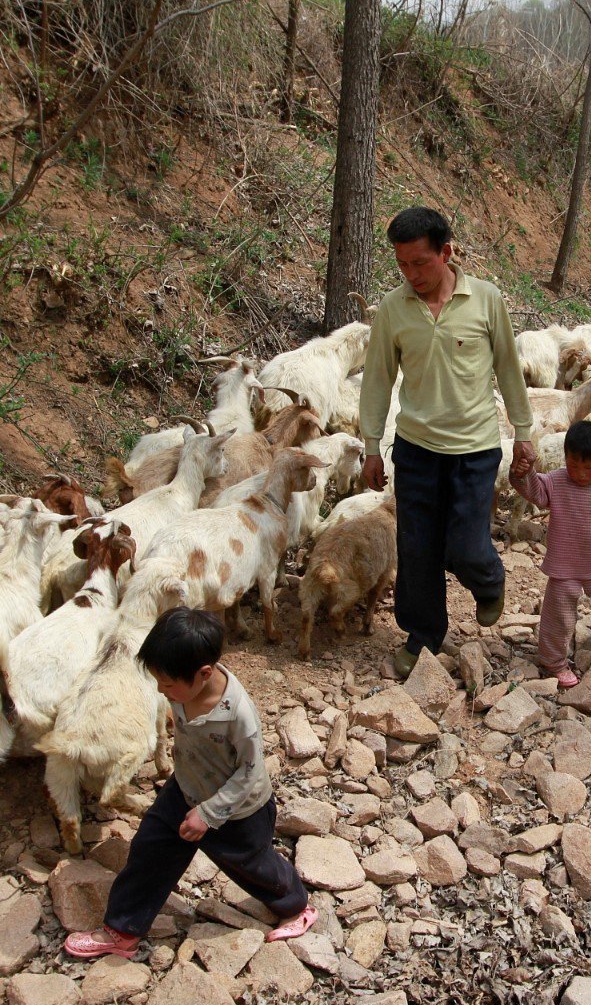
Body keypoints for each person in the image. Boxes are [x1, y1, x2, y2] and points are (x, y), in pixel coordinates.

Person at [62, 608, 314, 960]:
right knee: (150, 849)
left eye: (167, 684)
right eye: (158, 682)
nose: (162, 691)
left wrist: (209, 814)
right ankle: (122, 930)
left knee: (252, 864)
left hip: (237, 810)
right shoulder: (181, 690)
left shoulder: (237, 715)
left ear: (204, 674)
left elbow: (250, 772)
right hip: (184, 789)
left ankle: (297, 907)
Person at [359, 207, 535, 678]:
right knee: (416, 548)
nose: (411, 274)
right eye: (402, 265)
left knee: (465, 544)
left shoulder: (486, 300)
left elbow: (509, 369)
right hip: (416, 448)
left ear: (447, 252)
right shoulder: (393, 310)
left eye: (421, 263)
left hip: (475, 448)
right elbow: (377, 380)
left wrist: (524, 433)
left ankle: (489, 579)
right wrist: (371, 444)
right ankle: (422, 635)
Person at [509, 420, 591, 689]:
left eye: (589, 468)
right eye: (573, 465)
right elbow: (534, 490)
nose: (580, 474)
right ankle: (554, 662)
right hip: (564, 566)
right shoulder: (557, 481)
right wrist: (522, 473)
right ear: (565, 457)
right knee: (558, 619)